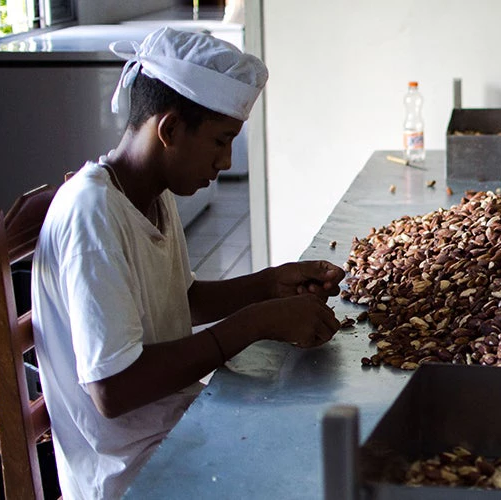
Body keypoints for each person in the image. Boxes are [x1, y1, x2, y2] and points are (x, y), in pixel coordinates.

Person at [30, 27, 344, 499]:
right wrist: (256, 323)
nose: (225, 160)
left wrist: (270, 284)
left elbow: (184, 299)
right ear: (170, 130)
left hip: (174, 427)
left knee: (319, 427)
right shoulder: (92, 214)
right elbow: (113, 391)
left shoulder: (149, 194)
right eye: (220, 141)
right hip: (129, 472)